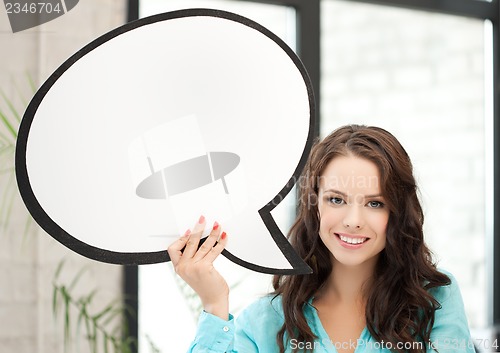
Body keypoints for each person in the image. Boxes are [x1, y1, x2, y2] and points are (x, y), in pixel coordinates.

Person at [168, 124, 475, 353]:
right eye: (336, 200)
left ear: (397, 211)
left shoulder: (435, 299)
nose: (353, 221)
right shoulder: (266, 322)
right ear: (314, 205)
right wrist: (213, 302)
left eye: (374, 203)